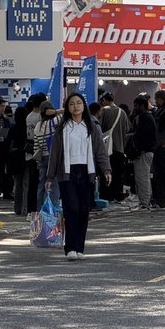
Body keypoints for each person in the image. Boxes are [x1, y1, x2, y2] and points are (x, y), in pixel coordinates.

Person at [44, 93, 112, 260]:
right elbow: (55, 154)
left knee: (83, 210)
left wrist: (106, 170)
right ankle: (70, 248)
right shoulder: (62, 128)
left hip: (86, 172)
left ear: (84, 106)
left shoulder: (92, 127)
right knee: (71, 209)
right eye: (72, 104)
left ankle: (79, 247)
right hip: (67, 174)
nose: (76, 106)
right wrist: (49, 177)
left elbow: (100, 151)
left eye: (79, 103)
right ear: (67, 107)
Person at [99, 93, 131, 203]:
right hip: (120, 148)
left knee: (106, 174)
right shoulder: (122, 112)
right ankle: (117, 196)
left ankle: (106, 197)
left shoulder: (103, 111)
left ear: (103, 100)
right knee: (117, 175)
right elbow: (127, 129)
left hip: (106, 149)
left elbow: (99, 128)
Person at [130, 94, 157, 210]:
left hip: (143, 153)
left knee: (142, 178)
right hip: (145, 152)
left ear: (142, 106)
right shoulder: (147, 117)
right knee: (142, 177)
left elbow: (141, 137)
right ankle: (144, 201)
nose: (135, 108)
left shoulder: (145, 118)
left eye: (136, 106)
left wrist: (138, 150)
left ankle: (144, 203)